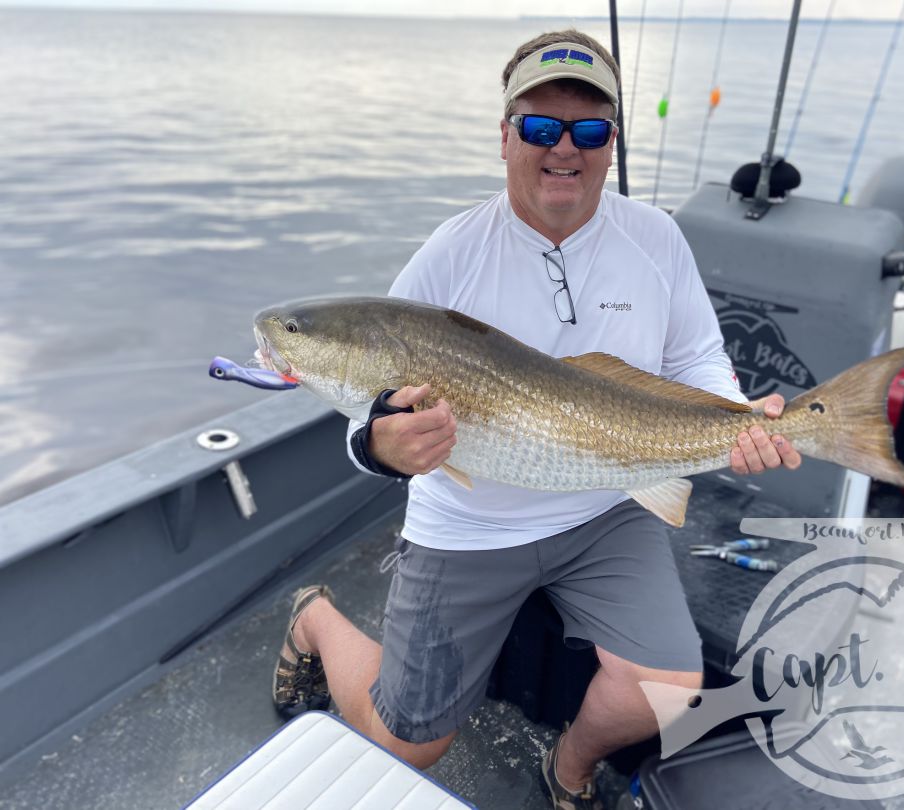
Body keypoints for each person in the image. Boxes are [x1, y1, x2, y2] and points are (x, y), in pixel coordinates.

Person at [272, 30, 801, 809]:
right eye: (540, 127)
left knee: (666, 685)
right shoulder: (448, 260)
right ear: (505, 135)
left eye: (589, 130)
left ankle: (570, 769)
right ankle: (314, 619)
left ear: (611, 144)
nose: (566, 149)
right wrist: (383, 448)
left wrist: (741, 416)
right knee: (408, 743)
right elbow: (367, 421)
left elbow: (696, 355)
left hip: (609, 505)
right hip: (471, 522)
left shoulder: (655, 238)